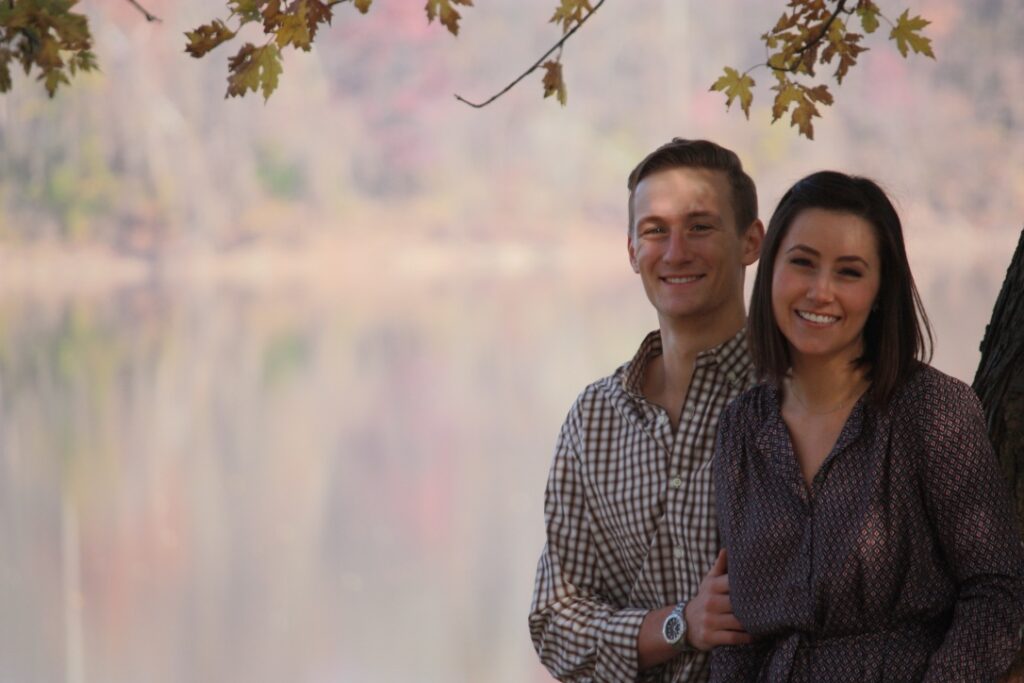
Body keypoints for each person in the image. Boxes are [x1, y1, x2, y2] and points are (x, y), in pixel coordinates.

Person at [711, 170, 1024, 681]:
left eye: (849, 272)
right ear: (771, 271)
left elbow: (997, 589)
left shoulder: (932, 410)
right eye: (803, 263)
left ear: (881, 290)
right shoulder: (741, 426)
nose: (820, 291)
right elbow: (737, 636)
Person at [529, 138, 765, 682]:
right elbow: (555, 621)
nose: (676, 251)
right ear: (633, 251)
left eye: (700, 226)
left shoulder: (793, 396)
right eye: (656, 230)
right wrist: (680, 624)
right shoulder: (594, 418)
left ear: (751, 241)